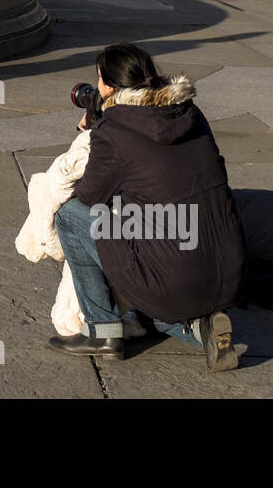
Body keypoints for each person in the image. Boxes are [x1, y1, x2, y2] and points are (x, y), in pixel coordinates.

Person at [46, 44, 244, 371]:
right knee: (160, 276)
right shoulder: (190, 112)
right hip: (230, 272)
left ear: (109, 87)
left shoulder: (115, 130)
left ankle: (102, 331)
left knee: (69, 216)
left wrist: (94, 130)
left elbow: (90, 195)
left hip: (170, 276)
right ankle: (200, 328)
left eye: (98, 80)